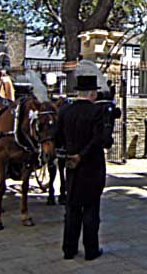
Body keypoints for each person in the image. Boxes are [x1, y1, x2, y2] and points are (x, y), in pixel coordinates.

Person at [56, 75, 106, 261]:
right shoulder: (96, 112)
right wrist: (82, 155)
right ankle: (91, 250)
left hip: (72, 167)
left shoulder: (65, 111)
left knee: (72, 209)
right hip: (91, 166)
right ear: (92, 93)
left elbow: (58, 137)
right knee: (91, 209)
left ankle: (69, 249)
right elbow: (97, 140)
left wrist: (71, 154)